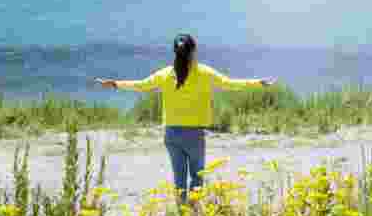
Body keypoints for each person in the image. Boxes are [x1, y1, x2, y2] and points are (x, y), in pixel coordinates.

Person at [95, 33, 276, 205]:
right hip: (194, 134)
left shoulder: (166, 74)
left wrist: (115, 84)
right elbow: (230, 84)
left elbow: (142, 85)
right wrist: (258, 82)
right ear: (194, 50)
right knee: (197, 177)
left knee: (179, 180)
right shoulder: (204, 72)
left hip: (171, 134)